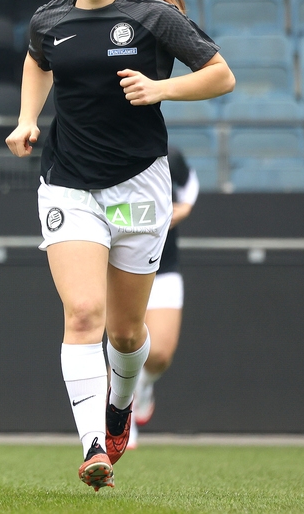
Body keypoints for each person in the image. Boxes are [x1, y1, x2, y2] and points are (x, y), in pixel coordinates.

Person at [5, 0, 234, 491]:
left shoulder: (154, 16)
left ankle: (121, 406)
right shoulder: (49, 19)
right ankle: (92, 445)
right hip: (68, 182)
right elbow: (37, 63)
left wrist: (162, 88)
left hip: (139, 184)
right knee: (84, 313)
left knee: (127, 334)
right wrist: (28, 119)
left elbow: (219, 75)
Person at [127, 146, 199, 448]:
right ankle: (120, 421)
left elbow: (190, 182)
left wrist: (184, 207)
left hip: (163, 267)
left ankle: (142, 388)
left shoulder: (171, 154)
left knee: (159, 355)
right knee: (123, 344)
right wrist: (157, 212)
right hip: (120, 263)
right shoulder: (104, 151)